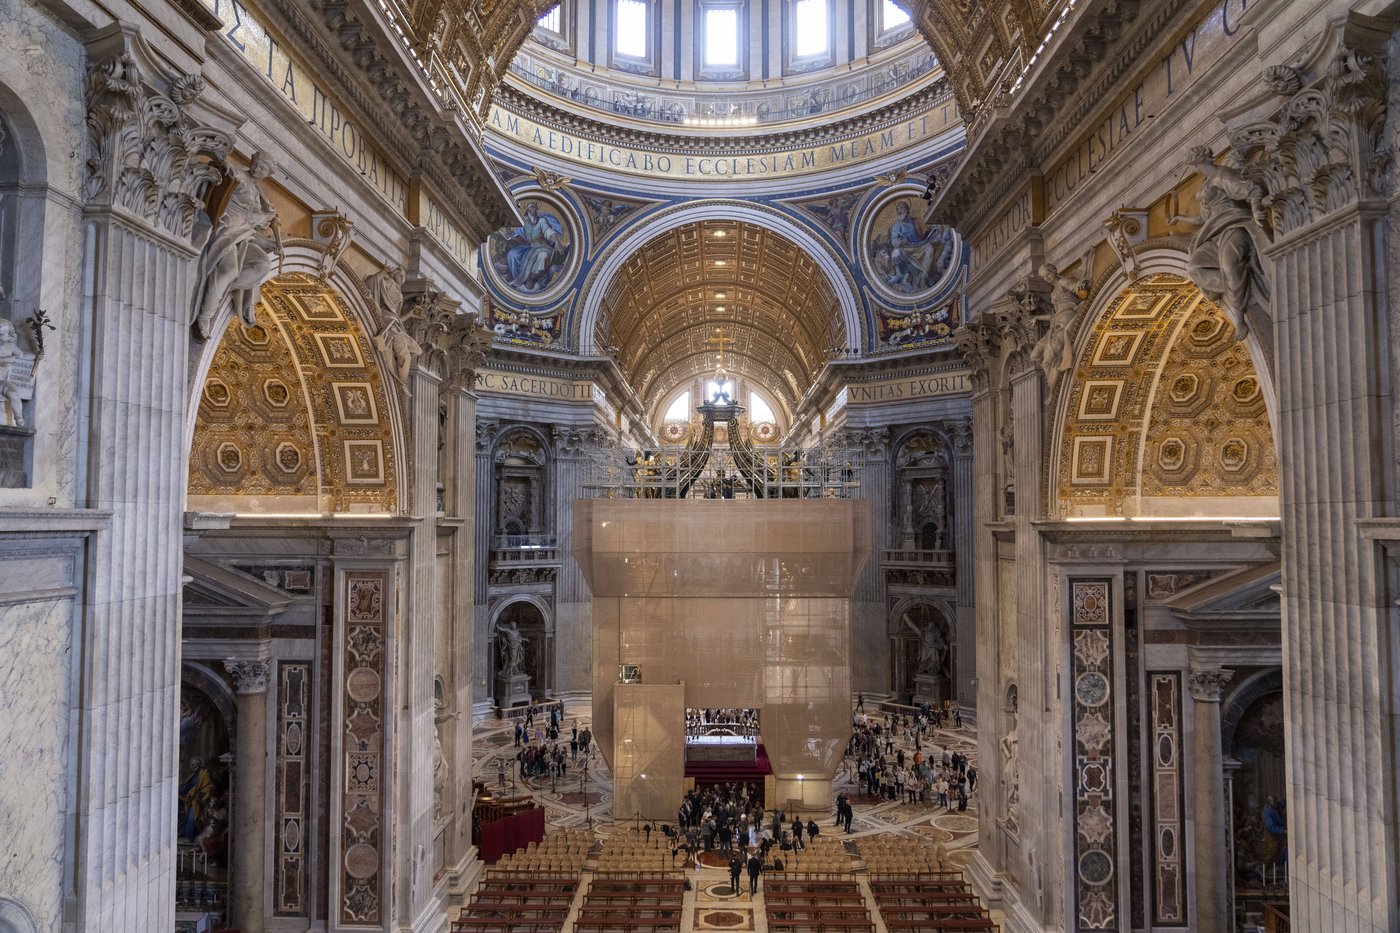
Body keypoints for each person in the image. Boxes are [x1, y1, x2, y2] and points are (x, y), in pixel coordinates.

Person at [192, 152, 282, 338]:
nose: (256, 169)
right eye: (255, 164)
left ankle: (221, 289)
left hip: (244, 235)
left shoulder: (258, 193)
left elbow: (263, 221)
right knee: (229, 270)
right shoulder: (238, 176)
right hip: (227, 229)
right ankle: (205, 315)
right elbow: (221, 176)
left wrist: (276, 243)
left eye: (262, 168)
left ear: (268, 174)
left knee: (263, 265)